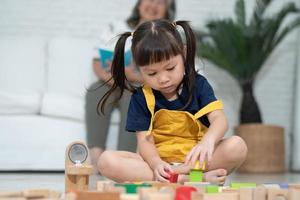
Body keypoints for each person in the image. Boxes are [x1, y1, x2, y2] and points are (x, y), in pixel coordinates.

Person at [97, 19, 248, 184]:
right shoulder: (141, 97)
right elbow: (144, 141)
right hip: (159, 165)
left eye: (170, 68)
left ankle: (176, 177)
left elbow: (219, 120)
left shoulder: (198, 85)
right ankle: (192, 178)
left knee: (237, 146)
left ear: (183, 54)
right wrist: (156, 163)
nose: (163, 79)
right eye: (152, 74)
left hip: (195, 160)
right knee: (106, 161)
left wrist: (208, 141)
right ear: (139, 69)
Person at [85, 0, 176, 171]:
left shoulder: (166, 36)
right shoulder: (116, 27)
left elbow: (165, 74)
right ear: (139, 3)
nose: (154, 5)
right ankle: (96, 159)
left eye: (161, 2)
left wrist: (132, 76)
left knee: (134, 99)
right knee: (96, 91)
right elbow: (97, 62)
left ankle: (122, 160)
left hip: (140, 83)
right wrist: (118, 79)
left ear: (167, 10)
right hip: (111, 80)